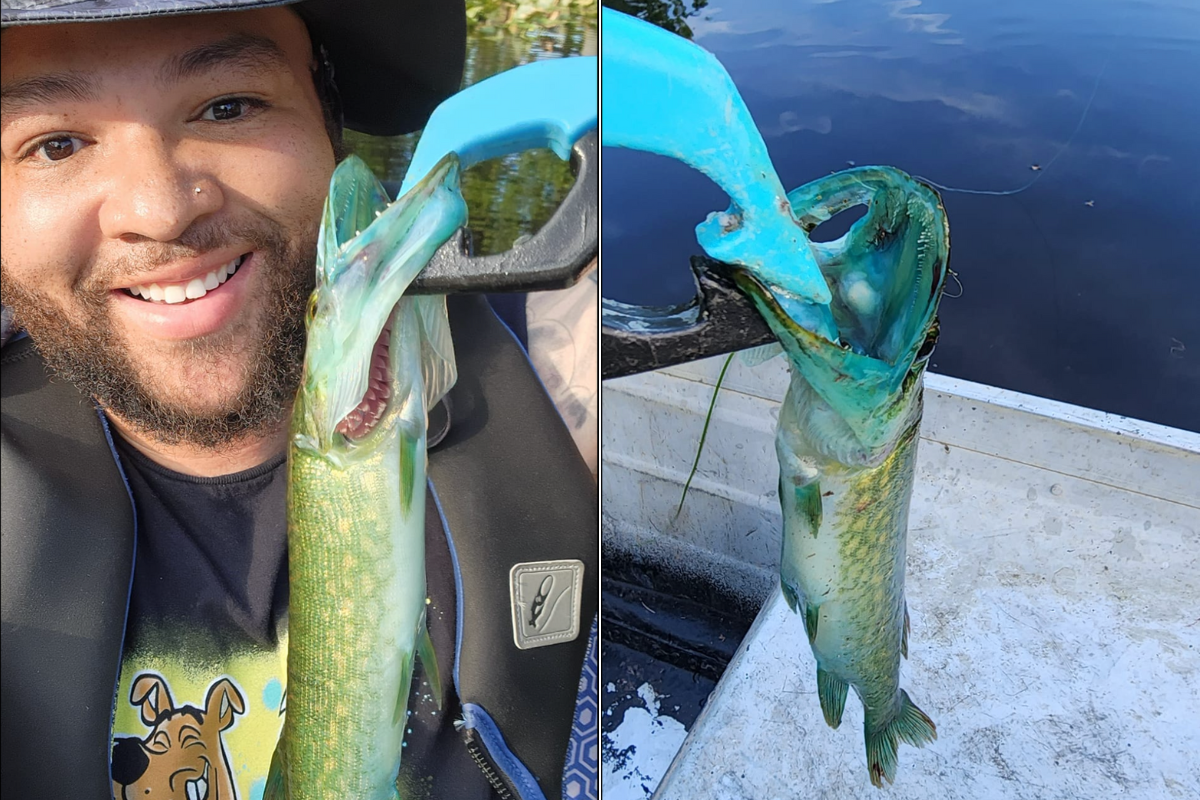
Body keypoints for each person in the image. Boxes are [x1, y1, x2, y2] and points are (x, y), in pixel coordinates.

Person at [0, 2, 598, 798]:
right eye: (56, 144)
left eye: (228, 105)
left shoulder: (559, 379)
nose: (162, 209)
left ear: (329, 122)